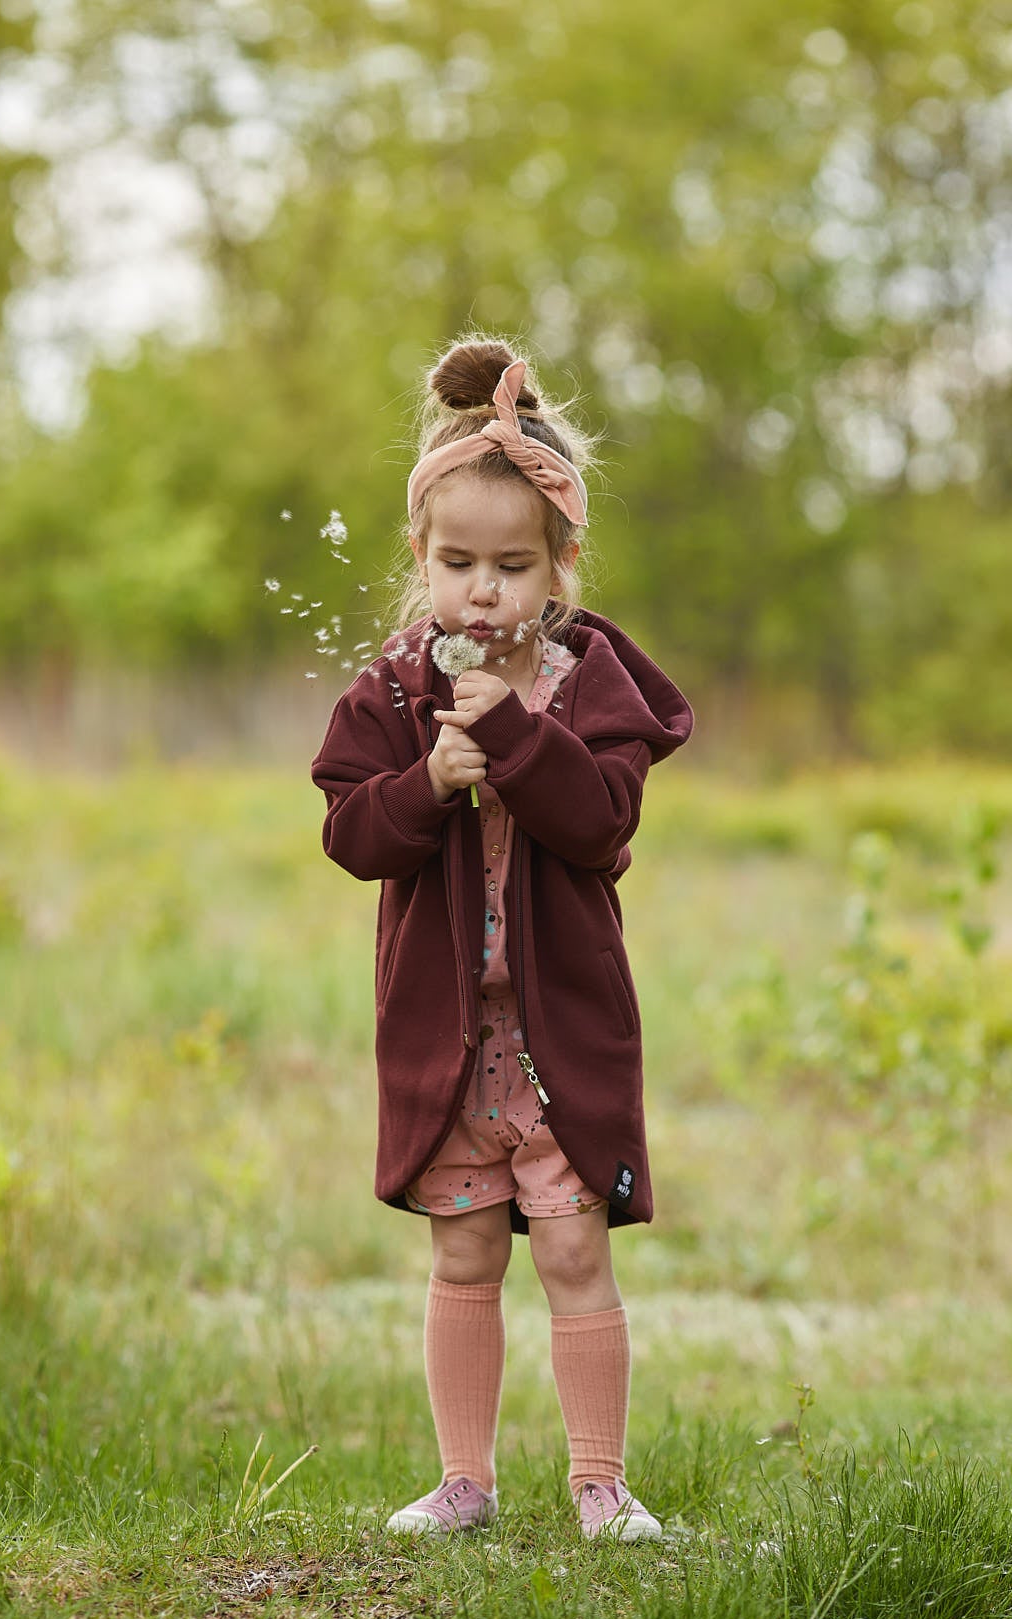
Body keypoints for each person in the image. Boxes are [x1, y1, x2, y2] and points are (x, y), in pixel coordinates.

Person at [311, 336, 693, 1541]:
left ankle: (598, 1485)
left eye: (512, 565)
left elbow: (599, 826)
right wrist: (428, 779)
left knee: (574, 1250)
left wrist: (519, 744)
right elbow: (351, 834)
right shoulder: (394, 689)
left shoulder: (589, 686)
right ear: (419, 557)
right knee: (465, 1251)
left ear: (562, 563)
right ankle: (464, 1483)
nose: (484, 590)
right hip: (447, 1038)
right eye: (458, 561)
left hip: (556, 1037)